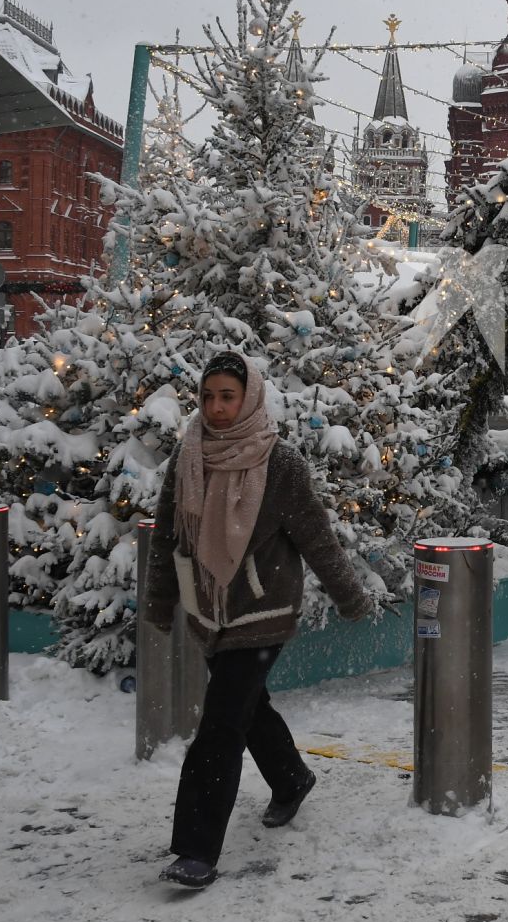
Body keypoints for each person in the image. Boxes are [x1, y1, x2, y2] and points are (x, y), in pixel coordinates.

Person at [139, 352, 375, 890]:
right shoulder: (189, 456)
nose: (218, 408)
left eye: (229, 396)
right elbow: (168, 537)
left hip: (263, 610)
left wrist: (350, 597)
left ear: (250, 398)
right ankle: (292, 778)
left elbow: (315, 536)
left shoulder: (280, 462)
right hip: (209, 609)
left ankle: (197, 849)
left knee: (219, 725)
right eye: (208, 397)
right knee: (248, 706)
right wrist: (159, 602)